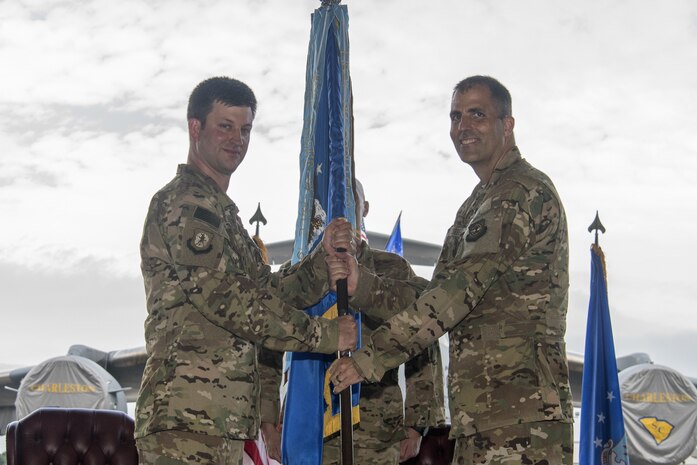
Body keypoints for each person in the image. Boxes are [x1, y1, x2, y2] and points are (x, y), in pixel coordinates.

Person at [329, 76, 574, 464]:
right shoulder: (476, 204)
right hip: (483, 417)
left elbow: (453, 297)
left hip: (522, 420)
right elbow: (434, 295)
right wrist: (366, 287)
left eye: (478, 114)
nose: (463, 127)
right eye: (456, 116)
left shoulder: (518, 193)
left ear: (506, 125)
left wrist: (366, 360)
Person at [135, 76, 358, 465]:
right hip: (185, 419)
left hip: (219, 419)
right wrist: (323, 334)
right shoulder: (186, 205)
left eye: (245, 129)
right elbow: (226, 301)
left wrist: (321, 263)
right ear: (195, 128)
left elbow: (266, 293)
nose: (237, 139)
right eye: (225, 126)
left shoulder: (224, 216)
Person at [322, 179, 446, 464]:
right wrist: (270, 416)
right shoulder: (307, 273)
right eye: (333, 201)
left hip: (376, 427)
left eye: (349, 200)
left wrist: (416, 423)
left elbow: (423, 337)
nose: (340, 209)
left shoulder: (393, 268)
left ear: (364, 208)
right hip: (313, 422)